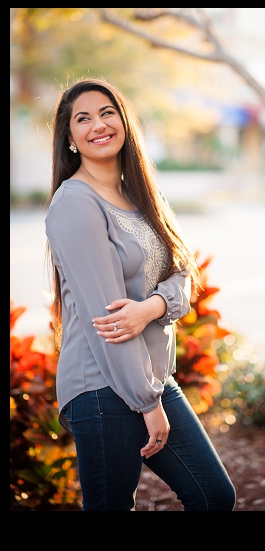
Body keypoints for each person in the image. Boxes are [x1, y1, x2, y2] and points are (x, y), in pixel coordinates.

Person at [44, 76, 236, 511]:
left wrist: (151, 306)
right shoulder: (75, 203)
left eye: (107, 112)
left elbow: (184, 273)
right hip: (100, 386)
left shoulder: (142, 193)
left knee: (214, 496)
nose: (99, 124)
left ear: (124, 122)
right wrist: (147, 402)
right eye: (83, 118)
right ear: (70, 137)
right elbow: (110, 321)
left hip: (149, 378)